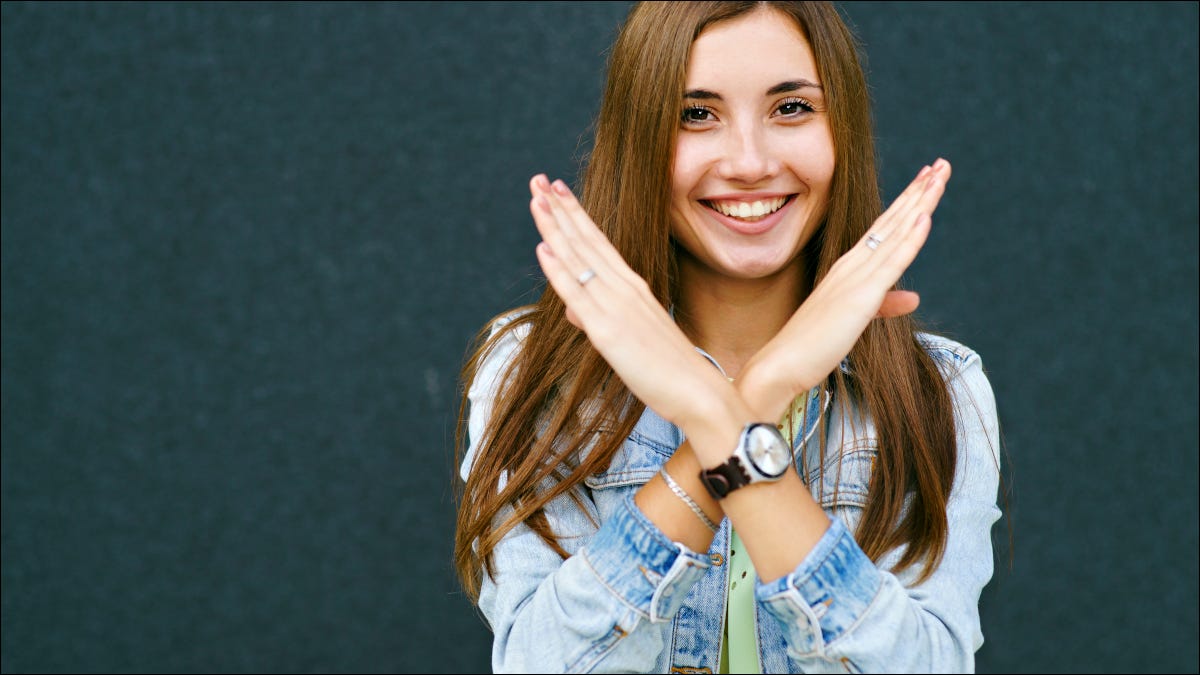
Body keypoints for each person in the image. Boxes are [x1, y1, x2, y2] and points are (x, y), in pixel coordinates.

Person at [453, 2, 1003, 672]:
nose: (748, 161)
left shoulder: (939, 390)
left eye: (792, 108)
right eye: (696, 114)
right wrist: (728, 413)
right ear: (641, 137)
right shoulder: (530, 370)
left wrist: (754, 396)